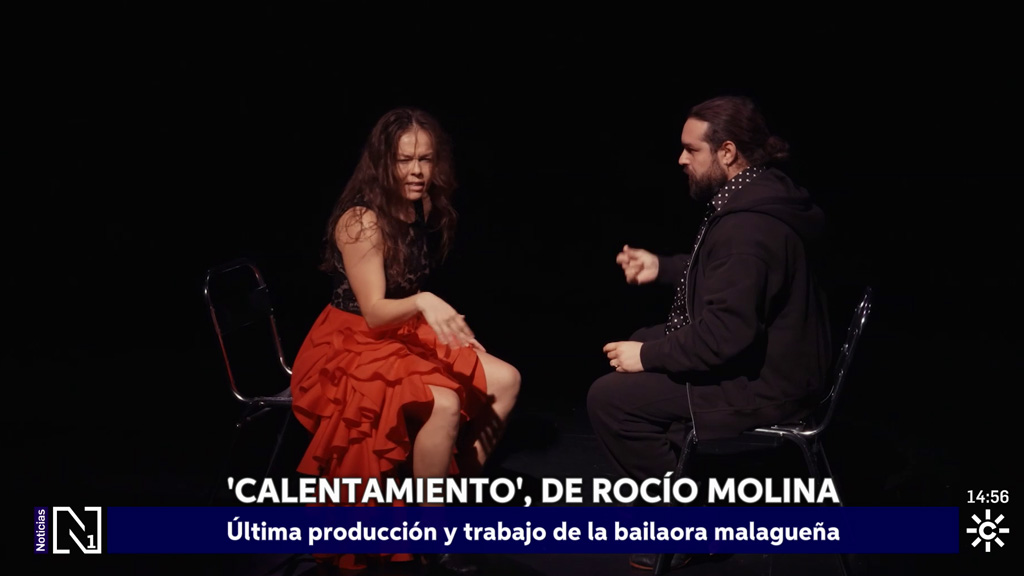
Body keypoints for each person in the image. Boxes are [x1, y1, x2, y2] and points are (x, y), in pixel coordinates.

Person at [587, 95, 832, 571]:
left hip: (770, 382)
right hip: (783, 362)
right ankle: (692, 481)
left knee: (611, 400)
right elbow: (725, 276)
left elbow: (725, 334)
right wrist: (662, 268)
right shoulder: (763, 194)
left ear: (727, 151)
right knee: (641, 339)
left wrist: (648, 356)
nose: (681, 159)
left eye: (691, 149)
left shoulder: (749, 226)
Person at [289, 106, 521, 575]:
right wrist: (426, 303)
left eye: (426, 159)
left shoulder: (421, 204)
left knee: (506, 380)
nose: (417, 171)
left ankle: (446, 497)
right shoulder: (361, 221)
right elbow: (375, 311)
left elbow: (405, 301)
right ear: (383, 162)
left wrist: (441, 326)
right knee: (444, 403)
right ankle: (433, 533)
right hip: (352, 343)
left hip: (399, 331)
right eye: (405, 160)